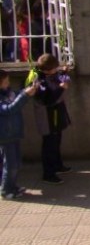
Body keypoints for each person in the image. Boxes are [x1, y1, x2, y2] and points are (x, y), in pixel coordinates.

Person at [32, 53, 72, 184]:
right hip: (48, 116)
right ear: (48, 70)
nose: (57, 70)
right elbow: (49, 99)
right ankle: (48, 173)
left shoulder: (52, 75)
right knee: (50, 144)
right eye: (55, 68)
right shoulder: (40, 81)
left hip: (56, 113)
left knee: (57, 139)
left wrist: (65, 73)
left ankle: (57, 165)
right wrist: (61, 89)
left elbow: (62, 79)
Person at [0, 70, 38, 199]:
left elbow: (17, 95)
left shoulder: (9, 92)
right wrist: (25, 96)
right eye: (6, 82)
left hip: (14, 132)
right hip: (4, 136)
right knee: (10, 164)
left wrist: (27, 90)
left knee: (16, 162)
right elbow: (10, 109)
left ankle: (12, 185)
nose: (8, 83)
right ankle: (5, 189)